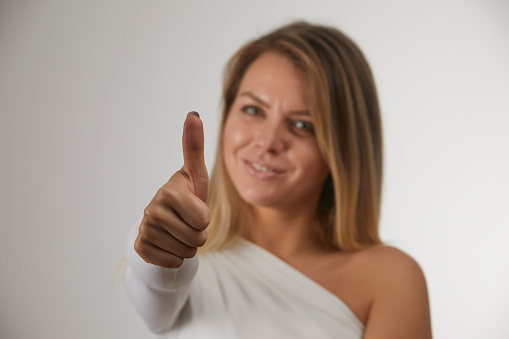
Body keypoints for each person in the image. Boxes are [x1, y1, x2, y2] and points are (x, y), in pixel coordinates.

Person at [124, 21, 432, 338]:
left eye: (302, 125)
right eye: (254, 110)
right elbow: (155, 282)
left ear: (343, 148)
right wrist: (157, 251)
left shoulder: (390, 278)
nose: (269, 141)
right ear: (227, 114)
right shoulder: (180, 256)